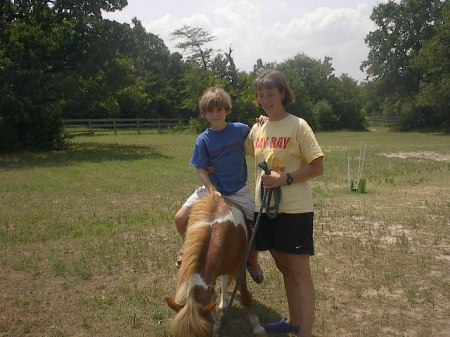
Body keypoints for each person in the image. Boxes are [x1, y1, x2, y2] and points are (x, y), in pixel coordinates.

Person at [245, 69, 324, 337]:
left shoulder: (298, 125)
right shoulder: (259, 127)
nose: (266, 99)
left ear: (282, 94)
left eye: (271, 94)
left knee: (299, 271)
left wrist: (285, 178)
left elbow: (317, 166)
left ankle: (305, 331)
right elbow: (240, 147)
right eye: (261, 95)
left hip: (294, 210)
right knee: (283, 267)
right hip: (265, 208)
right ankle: (292, 321)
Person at [174, 86, 264, 284]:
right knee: (180, 218)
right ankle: (187, 247)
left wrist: (261, 121)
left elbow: (257, 135)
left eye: (219, 109)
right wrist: (210, 190)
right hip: (213, 190)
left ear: (227, 110)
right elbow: (201, 168)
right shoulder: (203, 139)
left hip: (238, 191)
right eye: (210, 110)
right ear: (204, 114)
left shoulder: (239, 130)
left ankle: (252, 260)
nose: (215, 114)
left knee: (260, 225)